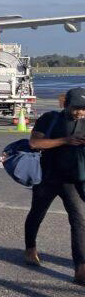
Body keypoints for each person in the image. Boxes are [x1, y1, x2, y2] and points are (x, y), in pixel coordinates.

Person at [23, 87, 85, 284]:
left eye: (84, 109)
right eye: (76, 108)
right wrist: (66, 140)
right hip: (47, 177)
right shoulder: (49, 118)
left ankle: (81, 268)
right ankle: (30, 248)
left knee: (79, 220)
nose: (80, 112)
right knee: (37, 213)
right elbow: (34, 143)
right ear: (66, 105)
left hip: (72, 180)